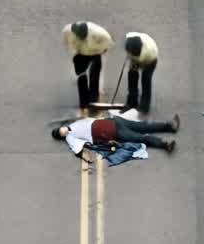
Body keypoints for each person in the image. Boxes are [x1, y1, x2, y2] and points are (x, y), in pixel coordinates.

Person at [52, 113, 180, 157]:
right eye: (60, 133)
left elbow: (88, 120)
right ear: (62, 136)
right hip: (113, 132)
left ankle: (170, 126)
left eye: (60, 129)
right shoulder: (71, 139)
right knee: (141, 137)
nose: (62, 131)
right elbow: (78, 149)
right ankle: (165, 144)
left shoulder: (72, 124)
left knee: (144, 125)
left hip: (114, 122)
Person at [62, 21, 113, 109]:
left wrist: (102, 50)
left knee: (94, 74)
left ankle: (94, 100)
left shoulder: (100, 34)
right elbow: (70, 47)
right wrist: (76, 56)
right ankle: (83, 103)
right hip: (80, 52)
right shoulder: (68, 32)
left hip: (95, 52)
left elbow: (107, 44)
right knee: (81, 76)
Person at [123, 32, 159, 114]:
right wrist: (132, 62)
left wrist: (136, 63)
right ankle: (132, 102)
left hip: (150, 60)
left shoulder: (148, 53)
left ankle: (144, 106)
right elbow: (131, 56)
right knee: (132, 76)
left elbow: (142, 63)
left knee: (146, 80)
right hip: (138, 54)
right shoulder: (130, 40)